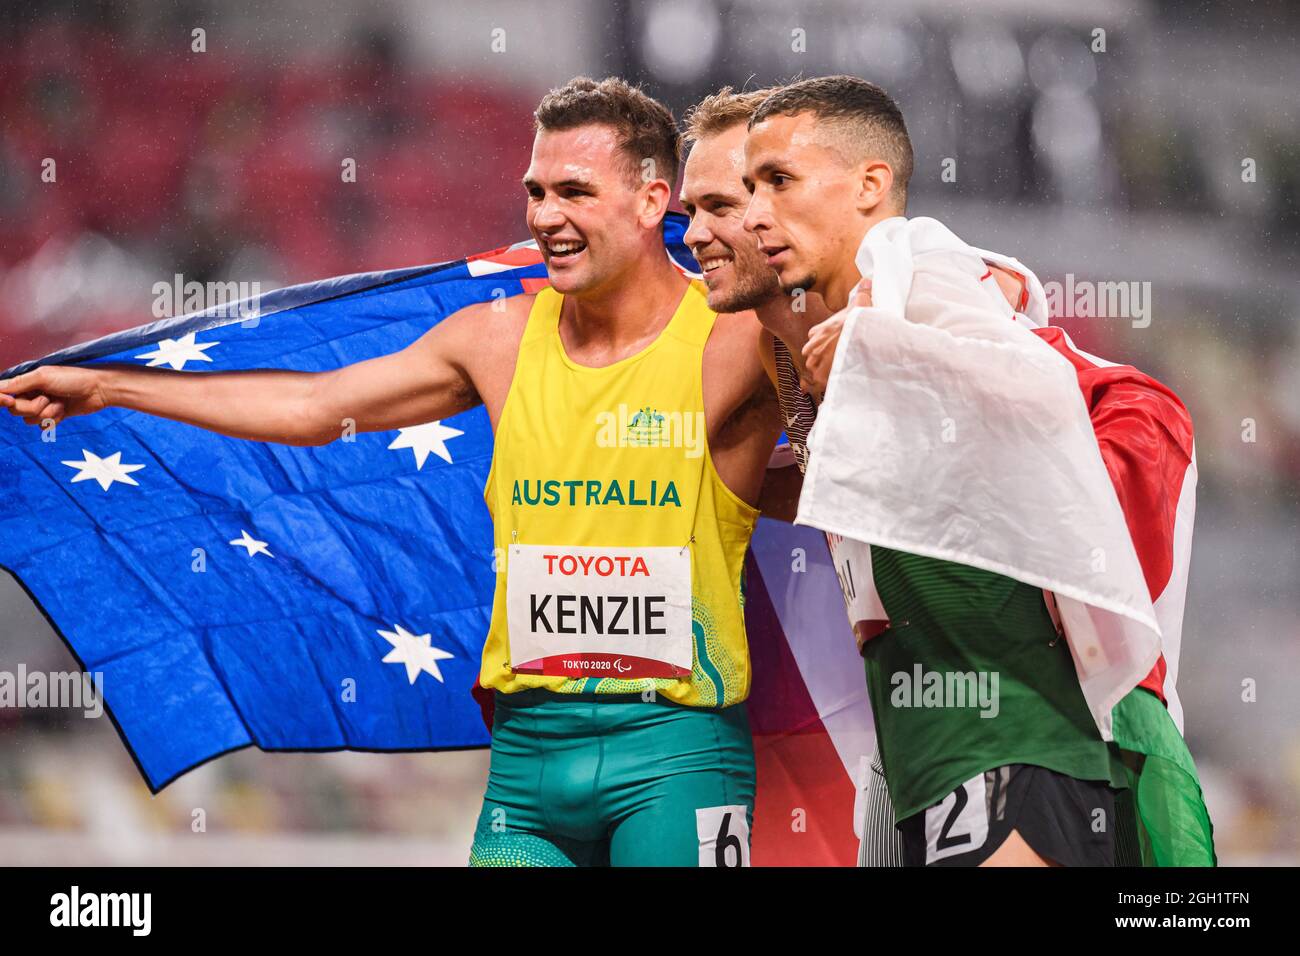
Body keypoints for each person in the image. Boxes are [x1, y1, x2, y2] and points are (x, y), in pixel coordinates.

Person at [0, 76, 784, 867]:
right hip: (526, 768)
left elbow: (839, 297)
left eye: (575, 191)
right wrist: (108, 386)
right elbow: (317, 408)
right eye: (536, 192)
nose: (547, 216)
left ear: (653, 201)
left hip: (675, 755)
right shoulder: (495, 340)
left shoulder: (737, 342)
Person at [680, 85, 1033, 867]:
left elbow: (1002, 305)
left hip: (1004, 721)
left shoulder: (897, 293)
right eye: (687, 212)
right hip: (903, 727)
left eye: (726, 202)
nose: (696, 233)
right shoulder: (771, 344)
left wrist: (889, 331)